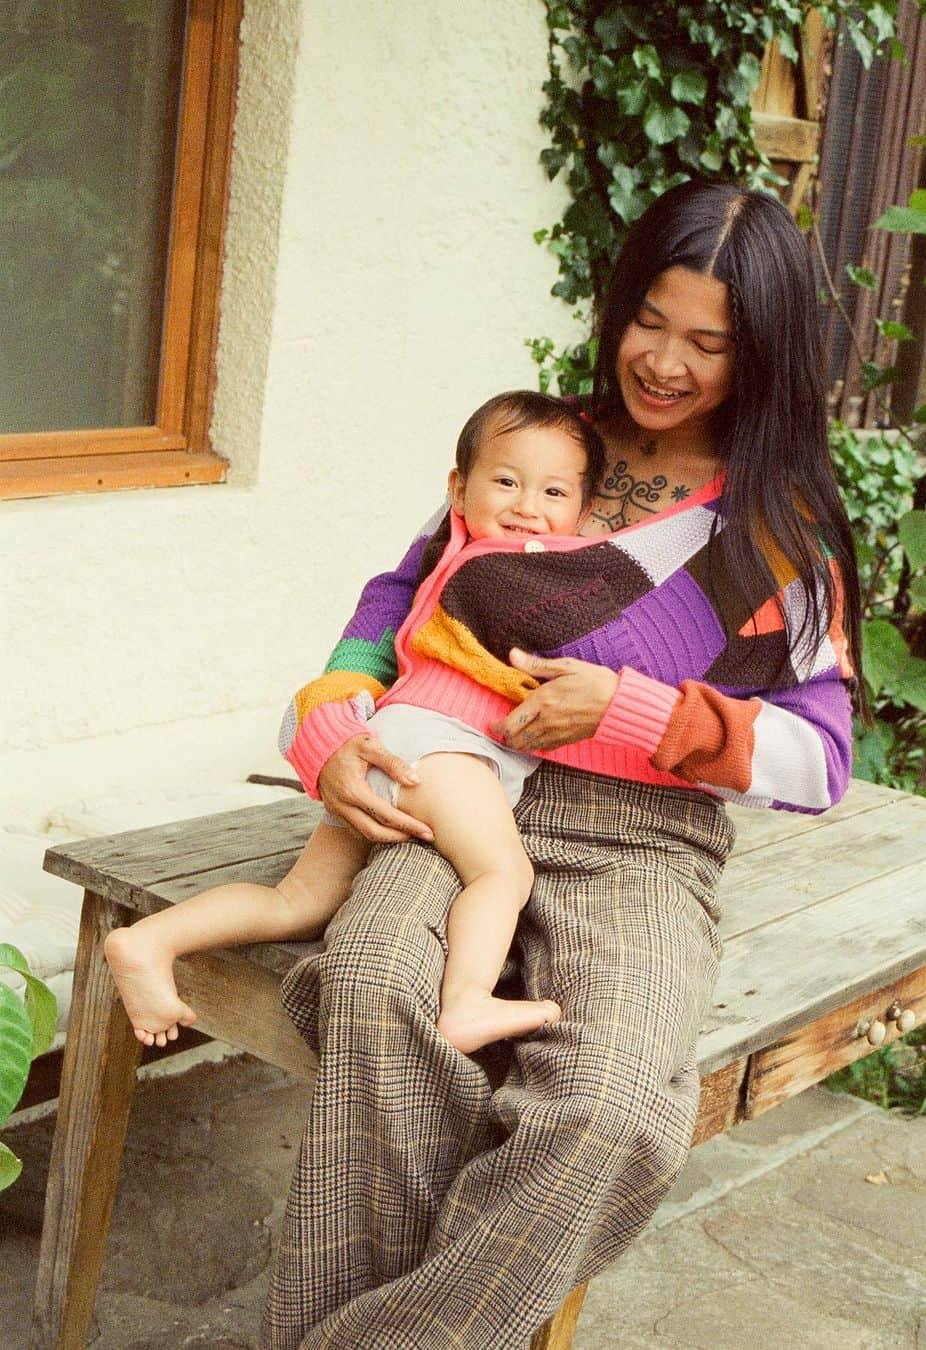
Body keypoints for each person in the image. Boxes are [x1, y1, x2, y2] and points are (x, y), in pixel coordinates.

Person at [263, 181, 864, 1349]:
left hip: (644, 838)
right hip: (455, 790)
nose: (668, 363)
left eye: (711, 343)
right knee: (381, 992)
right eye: (652, 320)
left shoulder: (777, 528)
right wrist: (331, 726)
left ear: (765, 354)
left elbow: (821, 761)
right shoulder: (546, 455)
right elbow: (397, 607)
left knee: (614, 1114)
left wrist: (641, 709)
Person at [103, 391, 608, 1056]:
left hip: (387, 738)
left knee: (296, 901)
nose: (526, 507)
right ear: (459, 490)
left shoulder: (456, 551)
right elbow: (555, 654)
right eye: (506, 482)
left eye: (552, 491)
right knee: (501, 876)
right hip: (442, 749)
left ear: (581, 505)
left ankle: (150, 941)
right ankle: (465, 1002)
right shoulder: (511, 569)